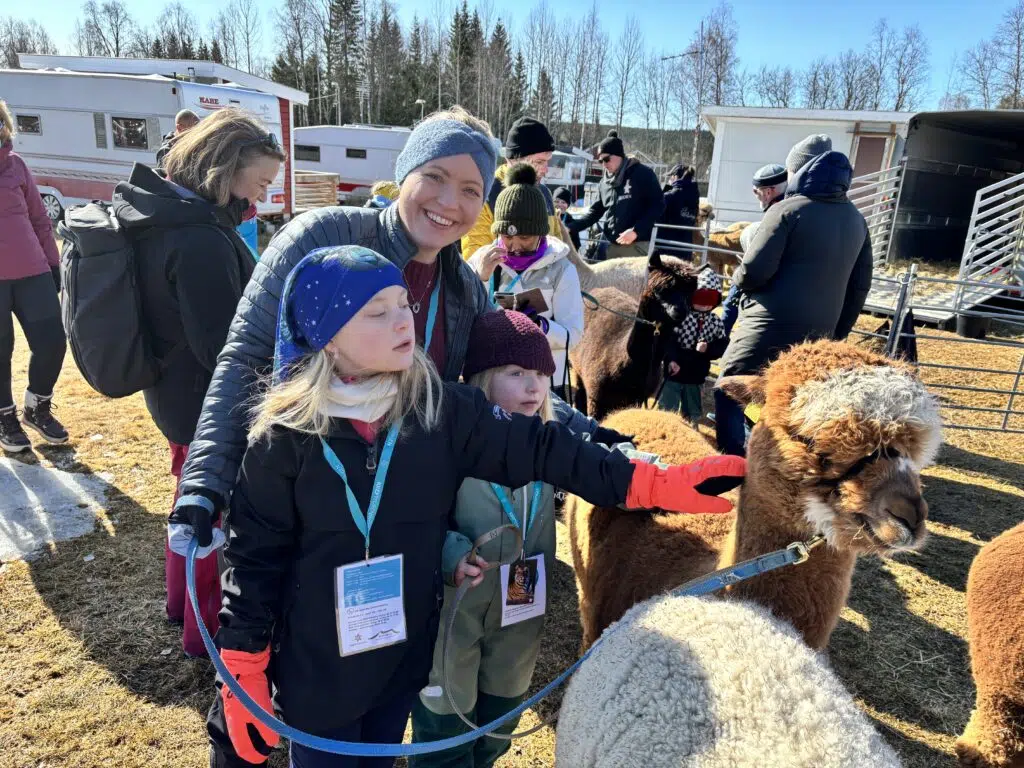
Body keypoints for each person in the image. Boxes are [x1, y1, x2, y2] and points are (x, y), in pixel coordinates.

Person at [207, 246, 746, 767]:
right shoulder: (284, 439)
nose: (403, 323)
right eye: (377, 312)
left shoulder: (439, 410)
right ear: (326, 336)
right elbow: (254, 558)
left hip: (401, 657)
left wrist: (648, 483)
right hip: (319, 667)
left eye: (403, 306)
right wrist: (243, 662)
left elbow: (544, 448)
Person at [167, 108, 631, 643]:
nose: (447, 202)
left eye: (468, 189)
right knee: (293, 665)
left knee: (378, 670)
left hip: (398, 510)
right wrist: (204, 484)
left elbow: (506, 379)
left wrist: (593, 435)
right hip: (305, 498)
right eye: (434, 177)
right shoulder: (324, 237)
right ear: (404, 173)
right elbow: (245, 356)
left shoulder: (462, 289)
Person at [410, 309, 707, 768]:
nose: (533, 387)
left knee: (501, 710)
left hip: (520, 609)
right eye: (516, 373)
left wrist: (662, 475)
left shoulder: (550, 435)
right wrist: (449, 552)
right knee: (446, 721)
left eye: (542, 372)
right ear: (482, 377)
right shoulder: (449, 437)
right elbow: (412, 517)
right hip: (454, 611)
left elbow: (605, 457)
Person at [113, 107, 285, 657]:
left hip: (174, 391)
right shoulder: (201, 241)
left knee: (189, 501)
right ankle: (203, 624)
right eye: (258, 182)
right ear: (224, 168)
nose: (259, 198)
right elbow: (223, 347)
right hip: (202, 401)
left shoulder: (168, 215)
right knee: (207, 510)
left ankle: (180, 601)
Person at [713, 134, 874, 456]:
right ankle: (786, 460)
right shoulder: (857, 219)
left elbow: (754, 271)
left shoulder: (787, 210)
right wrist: (836, 333)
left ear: (798, 171)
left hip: (769, 323)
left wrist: (741, 281)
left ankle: (737, 463)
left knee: (731, 386)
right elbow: (859, 286)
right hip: (820, 333)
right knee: (797, 398)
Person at [467, 163, 583, 400]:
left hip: (543, 386)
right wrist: (480, 279)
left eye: (525, 237)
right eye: (507, 236)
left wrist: (540, 326)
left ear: (540, 233)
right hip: (492, 380)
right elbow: (460, 320)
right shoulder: (482, 260)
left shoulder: (561, 268)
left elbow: (574, 335)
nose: (515, 246)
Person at [0, 99, 68, 452]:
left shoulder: (16, 165)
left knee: (53, 342)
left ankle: (37, 406)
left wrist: (53, 264)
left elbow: (40, 219)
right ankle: (5, 416)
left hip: (32, 272)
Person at [461, 117, 568, 258]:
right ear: (512, 160)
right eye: (539, 162)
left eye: (547, 161)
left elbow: (556, 245)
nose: (545, 170)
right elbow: (475, 258)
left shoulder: (544, 193)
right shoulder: (485, 193)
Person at [566, 130, 665, 259]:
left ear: (619, 155)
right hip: (611, 246)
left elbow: (658, 205)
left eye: (606, 159)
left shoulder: (642, 174)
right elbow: (595, 212)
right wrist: (570, 228)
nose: (604, 164)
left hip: (637, 245)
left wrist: (636, 231)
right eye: (600, 161)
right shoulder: (604, 183)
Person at [722, 163, 788, 336]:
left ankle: (720, 336)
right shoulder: (798, 209)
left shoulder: (777, 217)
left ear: (768, 192)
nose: (755, 195)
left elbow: (753, 268)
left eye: (756, 191)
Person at [658, 269, 729, 425]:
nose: (703, 305)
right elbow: (670, 340)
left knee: (692, 411)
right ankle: (663, 427)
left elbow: (722, 344)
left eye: (709, 300)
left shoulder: (716, 322)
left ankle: (691, 428)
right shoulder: (681, 316)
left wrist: (708, 349)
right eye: (699, 299)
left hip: (696, 375)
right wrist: (671, 359)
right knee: (667, 408)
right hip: (674, 371)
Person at [657, 164, 700, 248]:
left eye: (671, 176)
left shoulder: (670, 195)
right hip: (686, 248)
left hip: (666, 248)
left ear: (675, 176)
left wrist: (669, 187)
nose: (670, 179)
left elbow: (657, 211)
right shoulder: (695, 196)